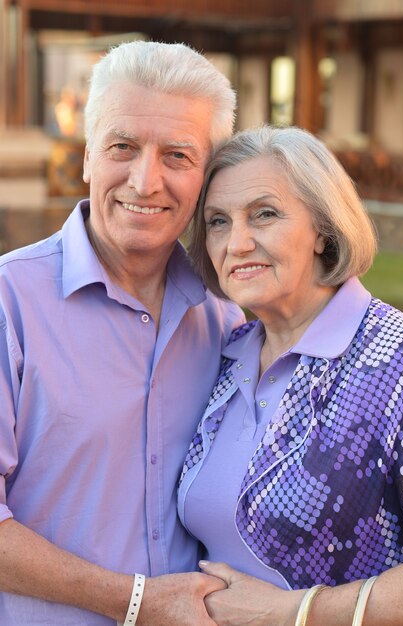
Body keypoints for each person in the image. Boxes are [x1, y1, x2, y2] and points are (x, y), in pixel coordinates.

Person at [0, 40, 245, 625]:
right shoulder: (9, 303)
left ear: (207, 178)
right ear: (87, 156)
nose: (145, 179)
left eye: (178, 156)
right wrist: (138, 602)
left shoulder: (228, 319)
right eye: (123, 147)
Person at [178, 125, 403, 625]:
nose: (237, 242)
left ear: (324, 230)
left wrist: (297, 613)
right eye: (218, 222)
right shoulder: (227, 355)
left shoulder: (402, 364)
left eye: (264, 214)